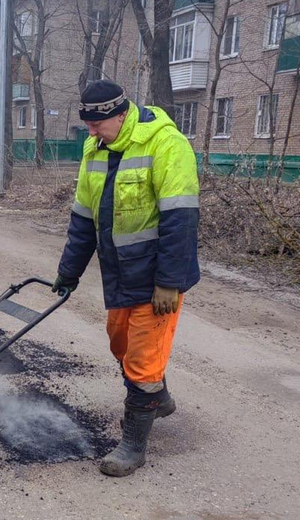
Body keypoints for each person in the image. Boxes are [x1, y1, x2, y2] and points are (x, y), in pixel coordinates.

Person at [53, 80, 200, 477]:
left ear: (120, 115)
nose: (90, 132)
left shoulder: (165, 144)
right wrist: (68, 272)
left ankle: (133, 445)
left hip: (157, 277)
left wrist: (169, 282)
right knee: (119, 341)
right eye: (86, 125)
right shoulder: (95, 149)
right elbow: (83, 218)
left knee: (142, 358)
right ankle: (159, 396)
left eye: (97, 125)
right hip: (119, 272)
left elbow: (181, 218)